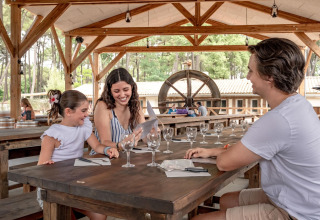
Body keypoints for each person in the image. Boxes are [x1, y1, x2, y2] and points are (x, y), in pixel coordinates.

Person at [185, 38, 320, 220]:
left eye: (251, 70)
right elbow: (247, 150)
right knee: (226, 200)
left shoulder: (278, 119)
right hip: (300, 197)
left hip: (297, 213)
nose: (248, 77)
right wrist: (212, 151)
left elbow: (224, 163)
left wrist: (220, 155)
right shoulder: (297, 104)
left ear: (269, 76)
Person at [38, 89, 119, 220]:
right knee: (64, 214)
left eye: (87, 110)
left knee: (100, 214)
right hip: (53, 188)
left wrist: (107, 150)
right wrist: (47, 166)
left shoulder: (83, 127)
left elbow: (97, 146)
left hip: (75, 184)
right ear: (68, 112)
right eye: (83, 111)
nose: (87, 114)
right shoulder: (52, 135)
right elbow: (40, 166)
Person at [91, 67, 144, 155]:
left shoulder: (136, 105)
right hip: (103, 158)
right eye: (116, 91)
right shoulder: (103, 106)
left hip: (125, 157)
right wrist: (121, 145)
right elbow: (104, 142)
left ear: (132, 87)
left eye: (126, 90)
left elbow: (144, 135)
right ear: (110, 91)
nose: (122, 95)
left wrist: (152, 132)